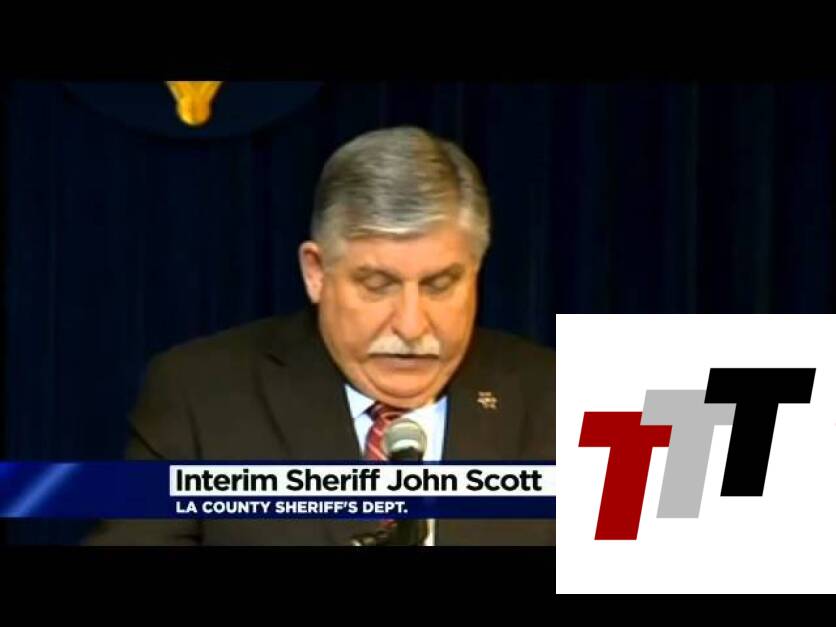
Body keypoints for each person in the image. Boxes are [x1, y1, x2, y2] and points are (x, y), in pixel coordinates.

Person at [85, 126, 555, 545]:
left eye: (439, 285)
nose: (412, 326)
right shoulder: (201, 396)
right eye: (378, 285)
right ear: (316, 272)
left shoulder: (567, 399)